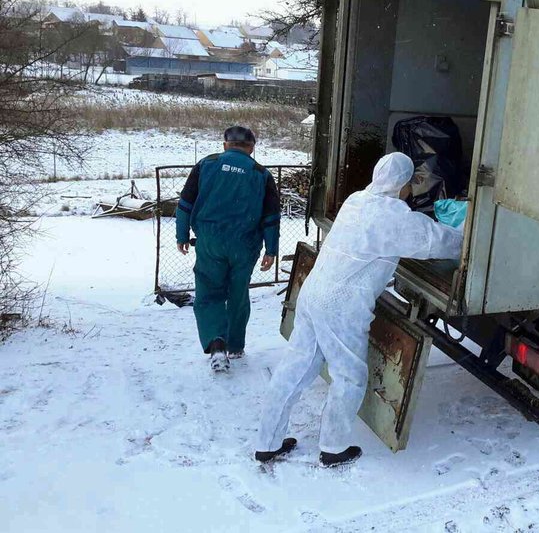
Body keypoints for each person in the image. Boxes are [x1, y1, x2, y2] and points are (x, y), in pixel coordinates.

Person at [255, 152, 462, 467]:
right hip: (341, 305)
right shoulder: (393, 216)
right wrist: (469, 239)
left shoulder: (356, 200)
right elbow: (434, 241)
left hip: (313, 294)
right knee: (349, 376)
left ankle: (267, 442)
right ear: (404, 182)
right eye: (409, 183)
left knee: (294, 369)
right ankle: (334, 448)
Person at [176, 126, 281, 372]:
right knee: (238, 292)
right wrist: (271, 250)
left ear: (225, 144)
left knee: (209, 292)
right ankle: (235, 345)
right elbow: (271, 216)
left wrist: (182, 234)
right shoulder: (261, 174)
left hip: (210, 241)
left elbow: (185, 203)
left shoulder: (206, 165)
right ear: (252, 148)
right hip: (244, 244)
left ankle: (217, 344)